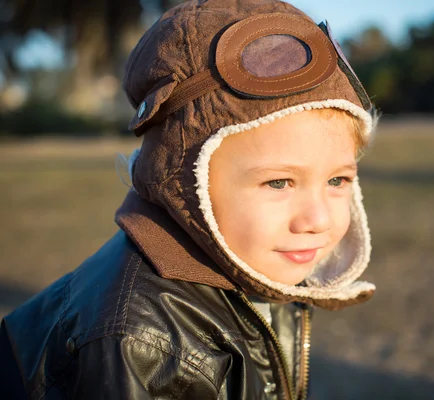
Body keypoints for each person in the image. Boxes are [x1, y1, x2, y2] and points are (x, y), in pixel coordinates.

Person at [0, 0, 378, 398]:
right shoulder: (145, 343)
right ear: (183, 184)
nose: (317, 219)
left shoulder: (254, 264)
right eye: (279, 183)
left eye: (337, 179)